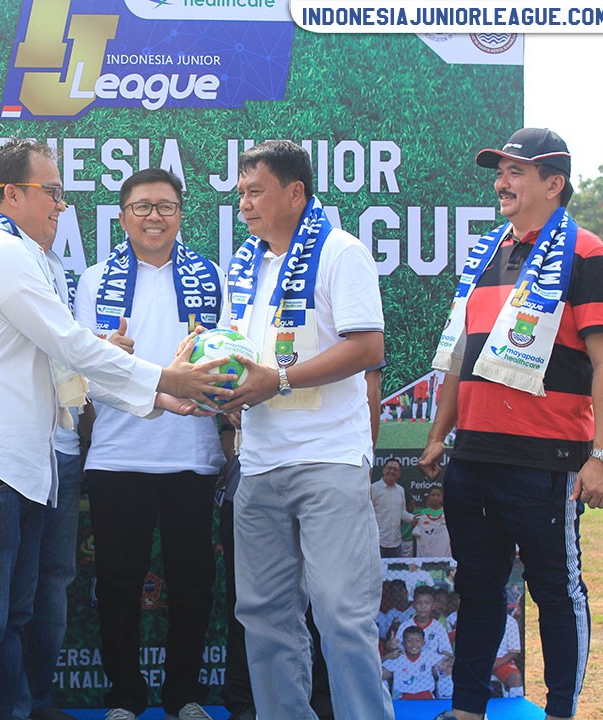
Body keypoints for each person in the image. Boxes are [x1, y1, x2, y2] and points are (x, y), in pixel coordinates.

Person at [0, 138, 235, 720]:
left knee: (7, 621)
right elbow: (74, 347)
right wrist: (167, 378)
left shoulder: (34, 261)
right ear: (11, 195)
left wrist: (160, 396)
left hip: (13, 468)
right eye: (52, 193)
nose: (62, 206)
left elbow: (65, 367)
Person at [420, 128, 603, 720]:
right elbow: (463, 354)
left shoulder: (587, 253)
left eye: (515, 172)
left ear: (553, 183)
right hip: (475, 459)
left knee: (557, 595)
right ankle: (466, 710)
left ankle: (561, 711)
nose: (500, 183)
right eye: (500, 171)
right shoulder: (486, 253)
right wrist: (439, 434)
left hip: (548, 463)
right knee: (479, 591)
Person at [218, 139, 393, 720]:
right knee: (262, 615)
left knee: (343, 615)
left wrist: (279, 380)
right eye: (240, 192)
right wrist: (217, 384)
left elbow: (368, 347)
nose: (244, 203)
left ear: (295, 192)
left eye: (255, 191)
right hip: (260, 465)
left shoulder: (342, 253)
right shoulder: (246, 263)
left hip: (329, 463)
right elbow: (238, 354)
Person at [74, 168, 224, 720]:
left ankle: (184, 695)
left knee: (193, 582)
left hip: (192, 453)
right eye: (141, 207)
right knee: (117, 583)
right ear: (121, 217)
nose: (154, 216)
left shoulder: (210, 277)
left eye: (165, 206)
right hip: (118, 455)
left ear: (181, 215)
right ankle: (124, 698)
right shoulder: (95, 281)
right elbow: (85, 369)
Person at [15, 250, 85, 720]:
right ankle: (9, 705)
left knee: (54, 581)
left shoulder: (57, 268)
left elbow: (72, 356)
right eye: (51, 196)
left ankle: (38, 701)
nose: (58, 209)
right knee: (14, 589)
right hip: (17, 452)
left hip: (64, 448)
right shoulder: (3, 260)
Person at [382, 625, 445, 700]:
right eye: (409, 641)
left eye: (417, 641)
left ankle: (448, 702)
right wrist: (387, 656)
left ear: (423, 643)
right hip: (402, 698)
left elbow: (448, 662)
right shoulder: (397, 657)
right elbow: (376, 674)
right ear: (403, 643)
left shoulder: (429, 655)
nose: (413, 644)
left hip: (427, 698)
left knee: (447, 673)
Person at [371, 458, 414, 558]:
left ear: (399, 473)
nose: (392, 471)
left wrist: (413, 519)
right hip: (377, 542)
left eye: (395, 469)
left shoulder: (400, 490)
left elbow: (402, 513)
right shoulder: (373, 489)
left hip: (396, 542)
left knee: (395, 572)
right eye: (389, 468)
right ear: (384, 470)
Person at [413, 485, 450, 558]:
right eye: (433, 495)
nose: (435, 497)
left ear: (442, 498)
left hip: (443, 550)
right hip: (427, 550)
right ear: (428, 497)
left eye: (438, 495)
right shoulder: (422, 513)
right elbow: (415, 530)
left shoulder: (447, 512)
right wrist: (414, 523)